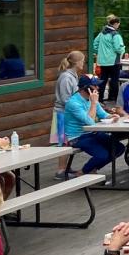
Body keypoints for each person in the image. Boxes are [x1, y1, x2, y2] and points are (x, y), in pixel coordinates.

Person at [60, 75, 124, 174]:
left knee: (119, 148)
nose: (98, 88)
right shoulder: (73, 103)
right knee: (102, 155)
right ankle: (81, 173)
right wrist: (93, 103)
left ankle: (92, 169)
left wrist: (112, 116)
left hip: (92, 133)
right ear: (86, 88)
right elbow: (90, 122)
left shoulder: (91, 98)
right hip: (77, 137)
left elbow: (102, 114)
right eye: (95, 86)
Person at [52, 51, 86, 180]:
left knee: (67, 142)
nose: (83, 63)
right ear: (77, 63)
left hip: (67, 113)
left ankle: (65, 168)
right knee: (63, 142)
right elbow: (66, 99)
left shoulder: (73, 76)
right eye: (82, 61)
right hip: (62, 113)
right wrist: (79, 108)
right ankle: (61, 170)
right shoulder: (66, 77)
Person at [92, 14, 127, 102]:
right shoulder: (115, 35)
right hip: (114, 61)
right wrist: (123, 49)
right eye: (118, 24)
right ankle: (114, 98)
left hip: (103, 62)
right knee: (114, 80)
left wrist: (98, 52)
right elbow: (118, 48)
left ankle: (100, 99)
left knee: (103, 80)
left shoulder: (102, 33)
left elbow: (94, 44)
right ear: (116, 24)